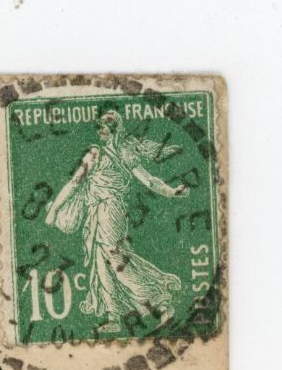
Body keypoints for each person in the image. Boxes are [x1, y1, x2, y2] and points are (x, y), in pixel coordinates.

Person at [43, 109, 189, 328]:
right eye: (99, 127)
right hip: (95, 212)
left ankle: (162, 304)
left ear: (113, 130)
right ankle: (114, 318)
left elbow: (148, 180)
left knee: (116, 258)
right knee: (101, 264)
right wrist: (54, 209)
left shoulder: (123, 152)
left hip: (111, 211)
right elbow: (74, 183)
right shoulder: (94, 154)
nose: (100, 131)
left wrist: (170, 191)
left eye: (103, 128)